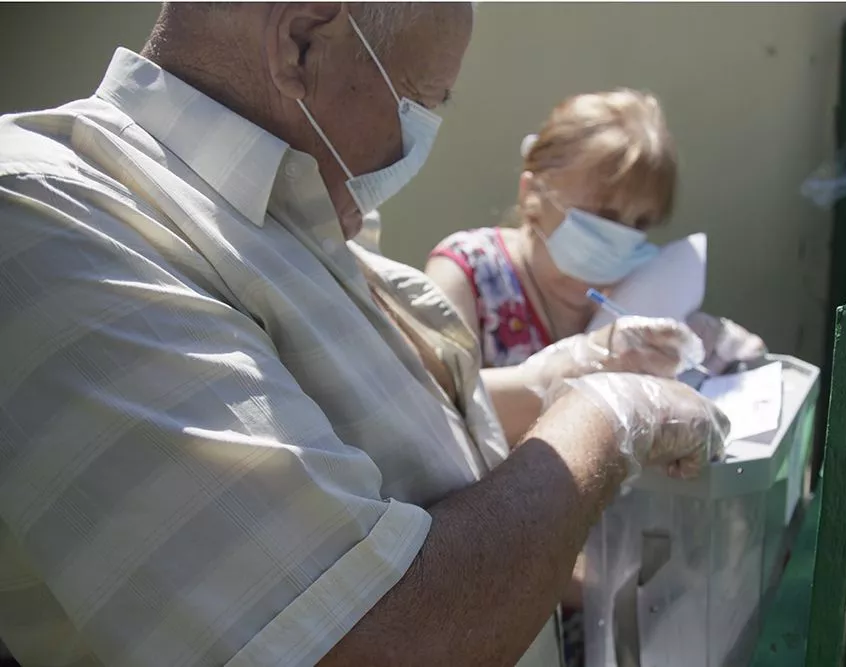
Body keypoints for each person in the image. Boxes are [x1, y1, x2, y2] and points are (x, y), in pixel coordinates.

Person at [0, 4, 729, 666]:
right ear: (300, 42)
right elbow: (361, 640)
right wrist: (603, 418)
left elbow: (407, 446)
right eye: (422, 101)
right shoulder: (49, 212)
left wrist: (559, 375)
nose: (419, 140)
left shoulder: (298, 218)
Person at [425, 88, 767, 666]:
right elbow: (436, 414)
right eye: (605, 216)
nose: (624, 239)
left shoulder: (632, 289)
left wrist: (712, 348)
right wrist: (574, 369)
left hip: (616, 596)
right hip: (500, 594)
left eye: (642, 223)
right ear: (533, 193)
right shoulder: (468, 272)